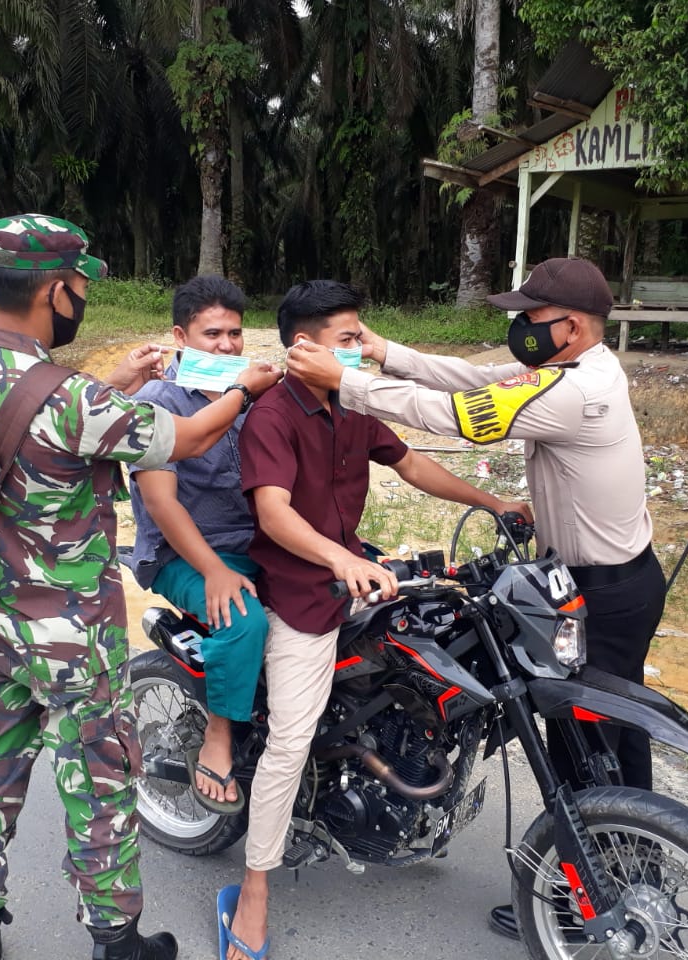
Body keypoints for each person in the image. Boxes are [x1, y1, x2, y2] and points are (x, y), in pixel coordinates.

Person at [0, 214, 281, 960]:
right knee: (99, 784)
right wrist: (243, 390)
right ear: (54, 291)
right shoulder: (73, 401)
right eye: (80, 287)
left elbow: (32, 423)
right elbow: (186, 438)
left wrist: (116, 381)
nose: (82, 300)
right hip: (74, 636)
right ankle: (116, 941)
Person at [286, 257, 663, 940]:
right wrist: (385, 353)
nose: (521, 328)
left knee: (584, 742)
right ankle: (637, 869)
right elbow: (479, 380)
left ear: (572, 326)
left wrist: (347, 379)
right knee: (616, 736)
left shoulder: (576, 392)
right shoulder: (580, 367)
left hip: (603, 592)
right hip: (615, 581)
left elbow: (458, 416)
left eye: (532, 318)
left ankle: (584, 904)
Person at [221, 280, 531, 960]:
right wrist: (341, 559)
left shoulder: (353, 403)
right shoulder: (273, 415)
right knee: (291, 740)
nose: (361, 349)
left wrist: (494, 502)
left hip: (354, 573)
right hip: (297, 593)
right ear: (304, 346)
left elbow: (411, 463)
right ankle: (254, 889)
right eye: (348, 339)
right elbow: (273, 512)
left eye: (361, 337)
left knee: (432, 654)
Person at [128, 275, 266, 813]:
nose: (227, 345)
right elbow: (162, 505)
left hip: (254, 543)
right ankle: (218, 737)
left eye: (235, 333)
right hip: (182, 553)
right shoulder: (157, 401)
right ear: (180, 337)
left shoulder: (255, 397)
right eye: (213, 334)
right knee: (242, 620)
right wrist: (213, 571)